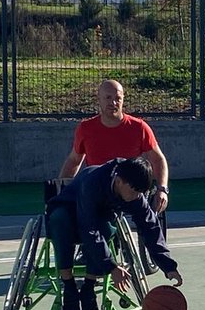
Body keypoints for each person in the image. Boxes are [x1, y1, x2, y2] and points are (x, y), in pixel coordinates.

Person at [47, 156, 183, 310]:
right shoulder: (93, 183)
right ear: (119, 181)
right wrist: (111, 267)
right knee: (60, 220)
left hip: (100, 217)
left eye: (139, 193)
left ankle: (88, 286)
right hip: (68, 210)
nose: (135, 196)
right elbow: (88, 229)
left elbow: (150, 226)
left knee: (105, 228)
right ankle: (68, 286)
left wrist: (168, 266)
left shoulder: (135, 193)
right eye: (133, 191)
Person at [59, 79, 170, 214]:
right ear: (99, 99)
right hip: (97, 191)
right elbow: (74, 160)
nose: (113, 103)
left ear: (123, 99)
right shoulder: (85, 129)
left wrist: (162, 189)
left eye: (118, 98)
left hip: (130, 192)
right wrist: (61, 190)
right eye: (108, 98)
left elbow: (158, 159)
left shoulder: (139, 128)